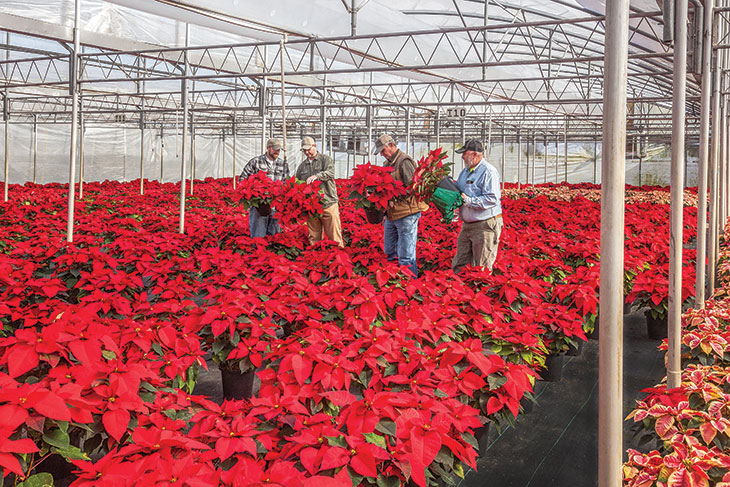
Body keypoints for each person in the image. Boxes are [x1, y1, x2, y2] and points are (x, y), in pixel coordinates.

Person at [373, 133, 428, 277]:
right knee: (389, 250)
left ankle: (410, 282)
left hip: (407, 213)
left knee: (406, 254)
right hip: (392, 214)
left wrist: (394, 198)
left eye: (383, 151)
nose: (382, 155)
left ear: (391, 146)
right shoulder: (387, 164)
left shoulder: (404, 161)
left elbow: (413, 188)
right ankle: (392, 278)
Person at [451, 138, 503, 273]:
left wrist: (468, 200)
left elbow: (492, 199)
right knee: (460, 262)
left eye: (464, 153)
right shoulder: (465, 172)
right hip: (467, 226)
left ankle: (480, 291)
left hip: (485, 226)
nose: (462, 156)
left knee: (482, 267)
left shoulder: (488, 171)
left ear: (474, 154)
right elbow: (459, 192)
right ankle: (460, 289)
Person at [295, 136, 344, 247]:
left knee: (334, 236)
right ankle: (315, 259)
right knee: (314, 236)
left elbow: (331, 173)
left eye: (309, 149)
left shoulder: (325, 159)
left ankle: (338, 259)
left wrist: (317, 176)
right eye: (304, 150)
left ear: (315, 146)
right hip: (311, 206)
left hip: (328, 203)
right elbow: (297, 183)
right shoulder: (302, 166)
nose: (307, 152)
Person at [239, 138, 290, 238]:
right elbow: (242, 179)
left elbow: (286, 183)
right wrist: (252, 196)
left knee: (274, 237)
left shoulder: (283, 164)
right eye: (275, 149)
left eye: (279, 150)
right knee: (258, 236)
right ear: (268, 148)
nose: (277, 152)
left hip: (276, 206)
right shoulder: (256, 162)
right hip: (259, 207)